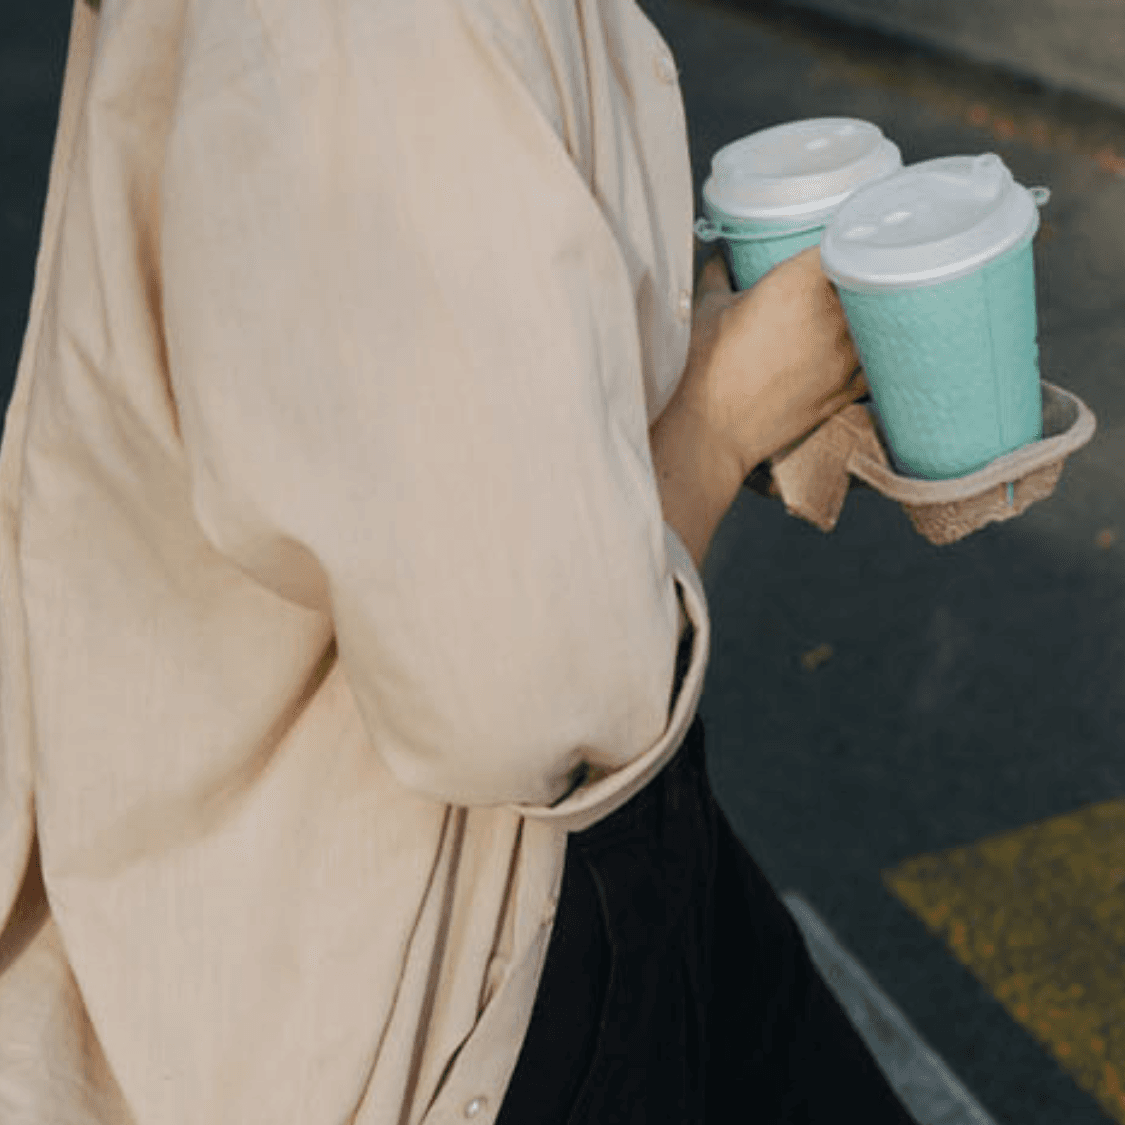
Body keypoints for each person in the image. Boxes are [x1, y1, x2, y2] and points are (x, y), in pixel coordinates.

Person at [0, 0, 913, 1121]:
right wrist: (722, 421)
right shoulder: (382, 29)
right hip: (438, 957)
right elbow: (529, 692)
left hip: (449, 871)